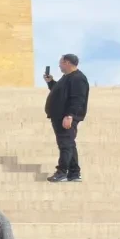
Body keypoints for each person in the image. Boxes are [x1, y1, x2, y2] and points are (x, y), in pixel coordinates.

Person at [44, 53, 89, 182]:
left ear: (67, 63)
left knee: (65, 144)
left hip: (66, 117)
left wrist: (70, 115)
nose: (59, 65)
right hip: (60, 116)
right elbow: (60, 92)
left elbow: (78, 99)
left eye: (61, 62)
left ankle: (62, 172)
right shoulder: (67, 77)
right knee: (69, 144)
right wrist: (50, 82)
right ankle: (74, 173)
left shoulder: (78, 78)